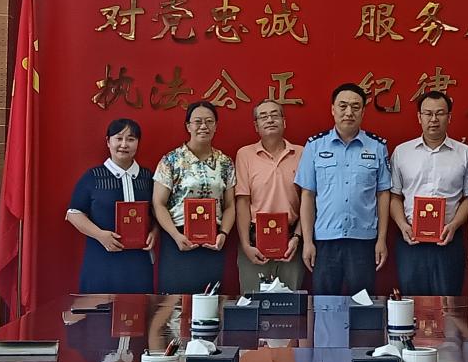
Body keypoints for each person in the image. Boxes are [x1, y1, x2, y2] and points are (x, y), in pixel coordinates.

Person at [296, 82, 391, 295]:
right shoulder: (315, 146)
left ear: (363, 111)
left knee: (363, 304)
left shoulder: (377, 146)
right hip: (325, 241)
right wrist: (308, 242)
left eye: (356, 107)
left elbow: (383, 195)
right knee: (324, 304)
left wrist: (381, 239)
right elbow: (308, 195)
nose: (349, 112)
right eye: (343, 106)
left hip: (363, 241)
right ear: (333, 109)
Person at [389, 90, 468, 295]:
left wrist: (454, 225)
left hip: (448, 240)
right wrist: (402, 225)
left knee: (449, 303)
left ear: (449, 117)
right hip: (411, 241)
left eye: (440, 113)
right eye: (428, 113)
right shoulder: (402, 152)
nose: (433, 119)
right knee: (412, 302)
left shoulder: (465, 153)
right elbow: (394, 197)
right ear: (419, 117)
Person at [152, 101, 236, 294]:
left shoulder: (225, 162)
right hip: (178, 241)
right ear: (188, 126)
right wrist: (176, 235)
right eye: (197, 121)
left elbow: (230, 205)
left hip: (213, 242)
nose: (203, 126)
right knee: (175, 303)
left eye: (209, 121)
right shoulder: (171, 160)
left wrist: (223, 234)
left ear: (216, 126)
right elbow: (158, 203)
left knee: (209, 302)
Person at [66, 118, 157, 293]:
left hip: (138, 263)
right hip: (101, 261)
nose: (124, 144)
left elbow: (157, 212)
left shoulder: (148, 178)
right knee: (100, 309)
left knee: (139, 307)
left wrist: (154, 233)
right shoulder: (93, 176)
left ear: (138, 143)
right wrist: (100, 235)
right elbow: (73, 213)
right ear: (108, 142)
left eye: (131, 139)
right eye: (119, 138)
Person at [234, 99, 305, 293]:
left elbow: (307, 202)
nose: (270, 120)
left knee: (289, 305)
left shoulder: (301, 153)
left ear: (284, 122)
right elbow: (242, 201)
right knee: (253, 304)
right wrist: (246, 245)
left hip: (291, 241)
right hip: (255, 241)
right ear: (256, 126)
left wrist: (297, 237)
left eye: (275, 115)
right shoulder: (245, 155)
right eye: (263, 117)